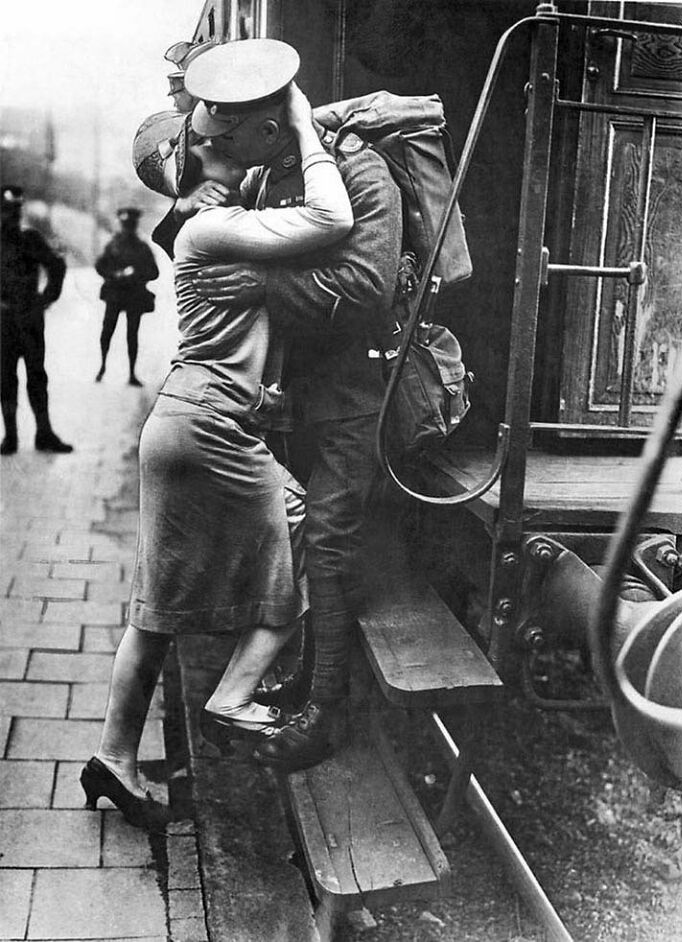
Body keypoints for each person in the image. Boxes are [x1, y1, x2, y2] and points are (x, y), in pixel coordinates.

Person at [79, 79, 354, 830]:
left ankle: (114, 757)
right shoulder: (209, 230)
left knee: (157, 607)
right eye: (210, 141)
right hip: (204, 425)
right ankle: (235, 695)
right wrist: (302, 123)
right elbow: (334, 217)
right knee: (302, 526)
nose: (225, 146)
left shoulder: (211, 227)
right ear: (190, 165)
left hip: (183, 419)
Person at [166, 39, 403, 772]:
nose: (222, 153)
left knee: (327, 540)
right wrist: (197, 201)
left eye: (230, 138)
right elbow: (188, 240)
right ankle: (308, 678)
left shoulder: (360, 171)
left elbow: (369, 287)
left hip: (356, 390)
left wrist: (262, 288)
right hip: (305, 392)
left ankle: (324, 714)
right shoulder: (272, 172)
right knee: (305, 543)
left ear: (271, 128)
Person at [0, 185, 72, 455]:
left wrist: (47, 298)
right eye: (6, 211)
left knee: (36, 376)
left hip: (29, 319)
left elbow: (57, 265)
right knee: (5, 378)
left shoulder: (30, 239)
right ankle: (10, 437)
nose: (10, 217)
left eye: (15, 211)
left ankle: (44, 433)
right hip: (3, 321)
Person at [95, 208, 159, 386]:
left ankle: (132, 373)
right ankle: (102, 367)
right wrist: (115, 274)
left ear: (135, 226)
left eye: (130, 225)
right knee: (107, 330)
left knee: (132, 335)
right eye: (125, 225)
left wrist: (136, 274)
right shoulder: (113, 245)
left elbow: (154, 272)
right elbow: (100, 266)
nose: (127, 229)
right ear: (121, 225)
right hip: (114, 293)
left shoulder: (142, 247)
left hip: (134, 295)